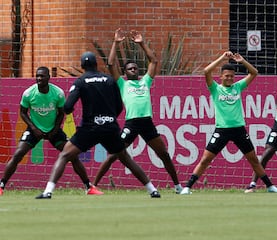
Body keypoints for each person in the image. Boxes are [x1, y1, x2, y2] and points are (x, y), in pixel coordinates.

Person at [36, 52, 161, 199]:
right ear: (96, 64)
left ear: (82, 66)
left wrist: (70, 110)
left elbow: (68, 106)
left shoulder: (81, 81)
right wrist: (110, 117)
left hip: (90, 128)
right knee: (125, 158)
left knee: (64, 155)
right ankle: (152, 190)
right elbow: (119, 106)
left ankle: (48, 191)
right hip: (110, 127)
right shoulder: (109, 80)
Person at [180, 51, 277, 195]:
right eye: (226, 76)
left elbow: (254, 73)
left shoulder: (237, 87)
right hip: (221, 130)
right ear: (221, 76)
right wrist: (222, 58)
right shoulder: (215, 88)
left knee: (253, 159)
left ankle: (270, 186)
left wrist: (242, 61)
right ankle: (188, 187)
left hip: (239, 130)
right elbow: (206, 71)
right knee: (205, 159)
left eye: (231, 76)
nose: (229, 78)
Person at [93, 28, 182, 194]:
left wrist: (142, 44)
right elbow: (111, 64)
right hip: (132, 123)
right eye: (130, 69)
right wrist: (116, 43)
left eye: (135, 68)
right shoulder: (123, 84)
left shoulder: (145, 82)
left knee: (163, 154)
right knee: (114, 154)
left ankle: (178, 187)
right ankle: (93, 186)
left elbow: (154, 61)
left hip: (147, 123)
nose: (134, 70)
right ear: (125, 73)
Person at [0, 66, 74, 196]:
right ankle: (1, 186)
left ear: (48, 78)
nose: (39, 78)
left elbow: (61, 113)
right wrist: (34, 128)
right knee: (18, 153)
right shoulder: (29, 93)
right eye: (37, 76)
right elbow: (23, 112)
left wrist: (55, 129)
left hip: (53, 130)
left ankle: (88, 186)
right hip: (34, 129)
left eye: (42, 76)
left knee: (71, 153)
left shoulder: (58, 93)